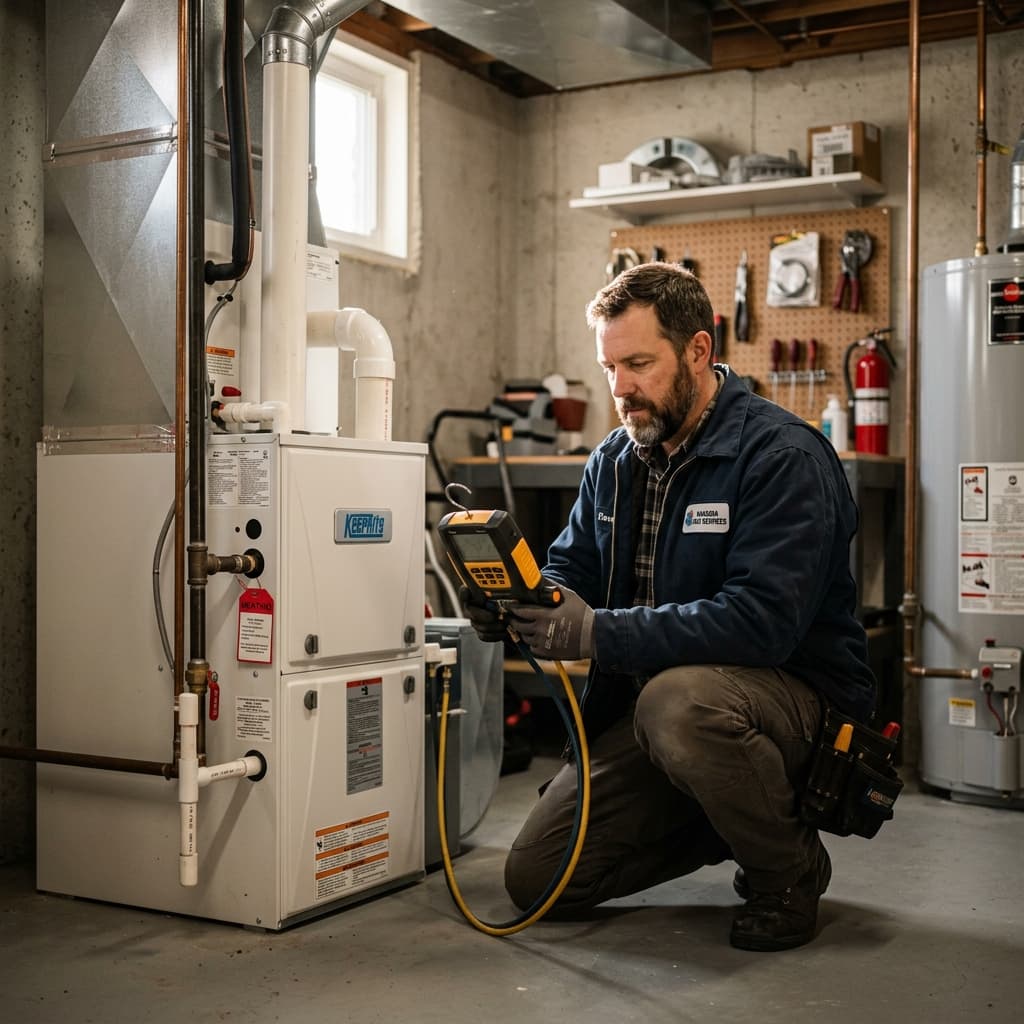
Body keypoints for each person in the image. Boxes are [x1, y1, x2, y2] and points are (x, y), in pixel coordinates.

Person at [462, 261, 876, 952]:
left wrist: (597, 631)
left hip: (793, 708)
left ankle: (788, 870)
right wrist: (524, 602)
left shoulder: (781, 458)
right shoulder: (615, 461)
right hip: (666, 713)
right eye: (608, 367)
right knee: (539, 880)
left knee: (679, 704)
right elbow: (573, 568)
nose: (621, 389)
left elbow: (761, 624)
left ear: (699, 352)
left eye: (639, 364)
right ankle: (721, 812)